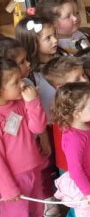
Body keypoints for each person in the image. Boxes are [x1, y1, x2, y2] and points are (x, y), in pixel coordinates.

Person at [51, 83, 90, 217]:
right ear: (77, 113)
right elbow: (75, 170)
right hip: (86, 188)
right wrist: (89, 191)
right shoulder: (74, 139)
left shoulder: (86, 126)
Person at [0, 58, 47, 217]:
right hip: (13, 179)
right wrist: (7, 188)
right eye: (15, 82)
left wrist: (33, 102)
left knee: (37, 211)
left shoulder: (21, 103)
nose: (22, 84)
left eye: (21, 79)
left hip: (33, 168)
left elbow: (38, 128)